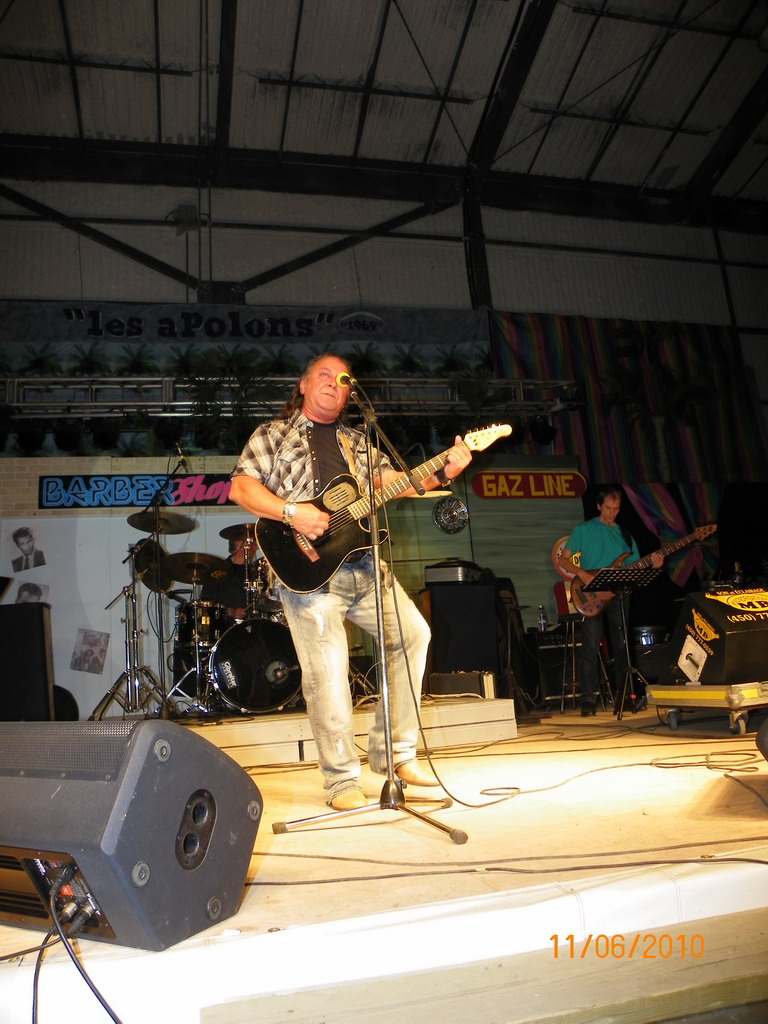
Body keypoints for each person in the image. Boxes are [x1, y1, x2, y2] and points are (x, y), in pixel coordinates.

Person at [229, 353, 473, 810]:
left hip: (365, 565)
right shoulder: (273, 434)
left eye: (342, 380)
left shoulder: (358, 441)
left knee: (414, 636)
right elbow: (241, 488)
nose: (333, 383)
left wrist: (444, 469)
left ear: (348, 394)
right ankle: (342, 781)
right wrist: (292, 512)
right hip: (307, 571)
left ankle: (395, 755)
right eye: (323, 375)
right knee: (328, 671)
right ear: (303, 385)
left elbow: (396, 482)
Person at [557, 486, 664, 716]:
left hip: (618, 595)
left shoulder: (625, 534)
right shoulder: (583, 529)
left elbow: (634, 567)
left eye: (616, 509)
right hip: (591, 593)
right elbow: (564, 560)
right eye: (607, 508)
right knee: (590, 645)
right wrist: (583, 574)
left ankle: (624, 697)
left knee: (622, 646)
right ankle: (588, 700)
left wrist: (654, 566)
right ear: (598, 506)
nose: (612, 513)